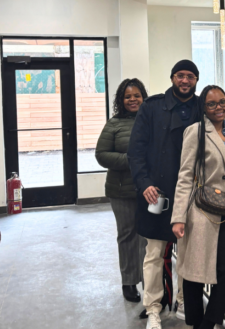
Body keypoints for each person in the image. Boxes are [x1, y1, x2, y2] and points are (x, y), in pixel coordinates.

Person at [128, 59, 201, 329]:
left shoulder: (201, 107)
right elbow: (135, 150)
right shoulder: (151, 107)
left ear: (196, 80)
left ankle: (183, 299)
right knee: (155, 253)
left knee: (188, 251)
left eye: (190, 77)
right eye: (180, 76)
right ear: (172, 77)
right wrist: (144, 182)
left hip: (192, 194)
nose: (185, 81)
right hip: (156, 193)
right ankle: (153, 308)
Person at [170, 85, 225, 329]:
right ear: (203, 107)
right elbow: (185, 175)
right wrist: (178, 216)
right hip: (201, 209)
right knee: (195, 271)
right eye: (212, 103)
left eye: (222, 102)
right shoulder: (196, 131)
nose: (219, 107)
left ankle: (208, 322)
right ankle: (195, 321)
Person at [95, 78, 150, 304]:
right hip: (121, 191)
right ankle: (129, 282)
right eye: (128, 96)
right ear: (121, 100)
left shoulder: (151, 121)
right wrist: (131, 160)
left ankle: (150, 281)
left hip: (150, 190)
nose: (133, 99)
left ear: (143, 97)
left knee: (147, 237)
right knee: (127, 235)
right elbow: (101, 154)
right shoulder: (114, 124)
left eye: (136, 95)